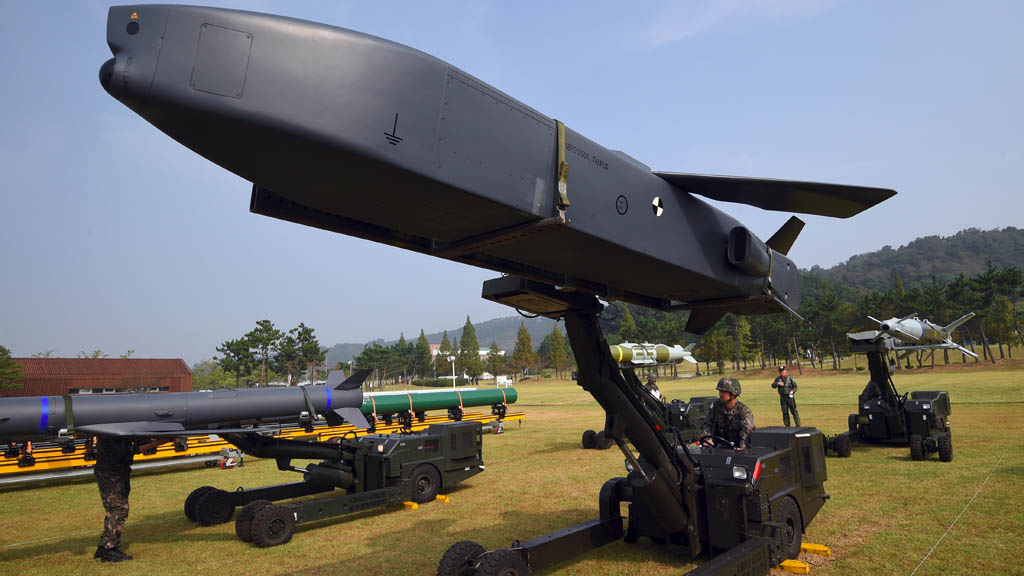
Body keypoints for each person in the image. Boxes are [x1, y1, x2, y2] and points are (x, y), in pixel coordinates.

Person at [93, 436, 168, 562]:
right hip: (111, 473)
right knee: (119, 509)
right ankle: (109, 549)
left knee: (113, 510)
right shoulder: (112, 433)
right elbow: (129, 451)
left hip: (115, 471)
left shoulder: (114, 430)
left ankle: (104, 546)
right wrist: (157, 442)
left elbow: (135, 442)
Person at [700, 377, 754, 450]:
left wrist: (742, 447)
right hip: (719, 448)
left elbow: (747, 432)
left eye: (724, 392)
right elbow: (707, 424)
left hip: (737, 449)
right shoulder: (716, 407)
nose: (720, 394)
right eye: (720, 391)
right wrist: (708, 440)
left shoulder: (744, 411)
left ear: (733, 394)